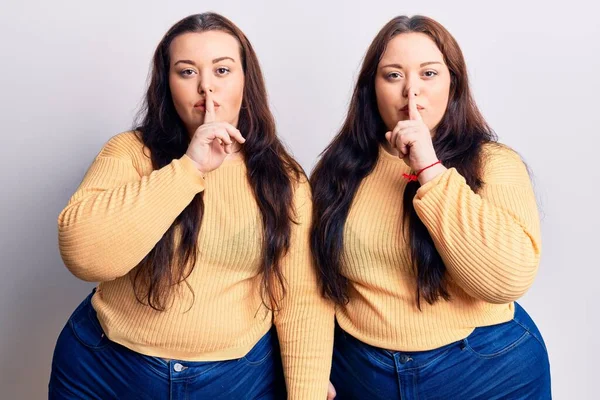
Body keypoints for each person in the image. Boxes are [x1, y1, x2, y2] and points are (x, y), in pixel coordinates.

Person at [50, 12, 334, 399]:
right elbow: (84, 256)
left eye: (222, 70)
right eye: (186, 72)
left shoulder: (283, 179)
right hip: (107, 369)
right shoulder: (129, 152)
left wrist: (308, 392)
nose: (206, 88)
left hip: (234, 379)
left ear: (245, 80)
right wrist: (190, 168)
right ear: (167, 84)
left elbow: (300, 299)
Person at [311, 15, 551, 399]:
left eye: (429, 74)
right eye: (393, 76)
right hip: (362, 373)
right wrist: (312, 372)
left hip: (486, 370)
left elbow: (507, 281)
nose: (412, 93)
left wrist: (430, 168)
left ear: (453, 84)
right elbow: (315, 284)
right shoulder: (337, 171)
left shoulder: (495, 164)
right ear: (371, 88)